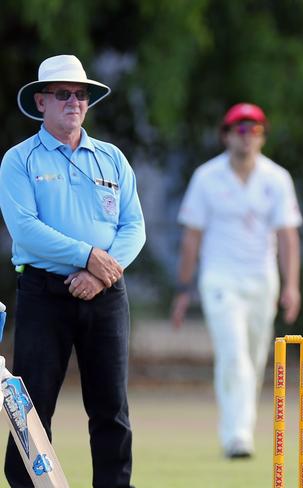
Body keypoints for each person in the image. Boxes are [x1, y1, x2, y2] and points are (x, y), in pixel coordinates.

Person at [0, 54, 145, 488]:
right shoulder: (20, 159)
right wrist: (87, 256)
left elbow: (134, 226)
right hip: (45, 292)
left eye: (80, 95)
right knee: (32, 406)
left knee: (110, 407)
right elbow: (25, 229)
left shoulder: (111, 158)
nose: (74, 102)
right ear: (41, 102)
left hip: (106, 291)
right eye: (62, 94)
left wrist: (101, 272)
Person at [170, 102, 302, 459]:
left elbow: (288, 236)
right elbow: (191, 237)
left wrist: (291, 286)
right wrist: (184, 289)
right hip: (219, 279)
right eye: (240, 130)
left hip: (262, 279)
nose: (247, 137)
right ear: (226, 135)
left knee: (254, 359)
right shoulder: (206, 177)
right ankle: (237, 435)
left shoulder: (276, 178)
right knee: (233, 355)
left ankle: (240, 427)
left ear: (262, 137)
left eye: (254, 130)